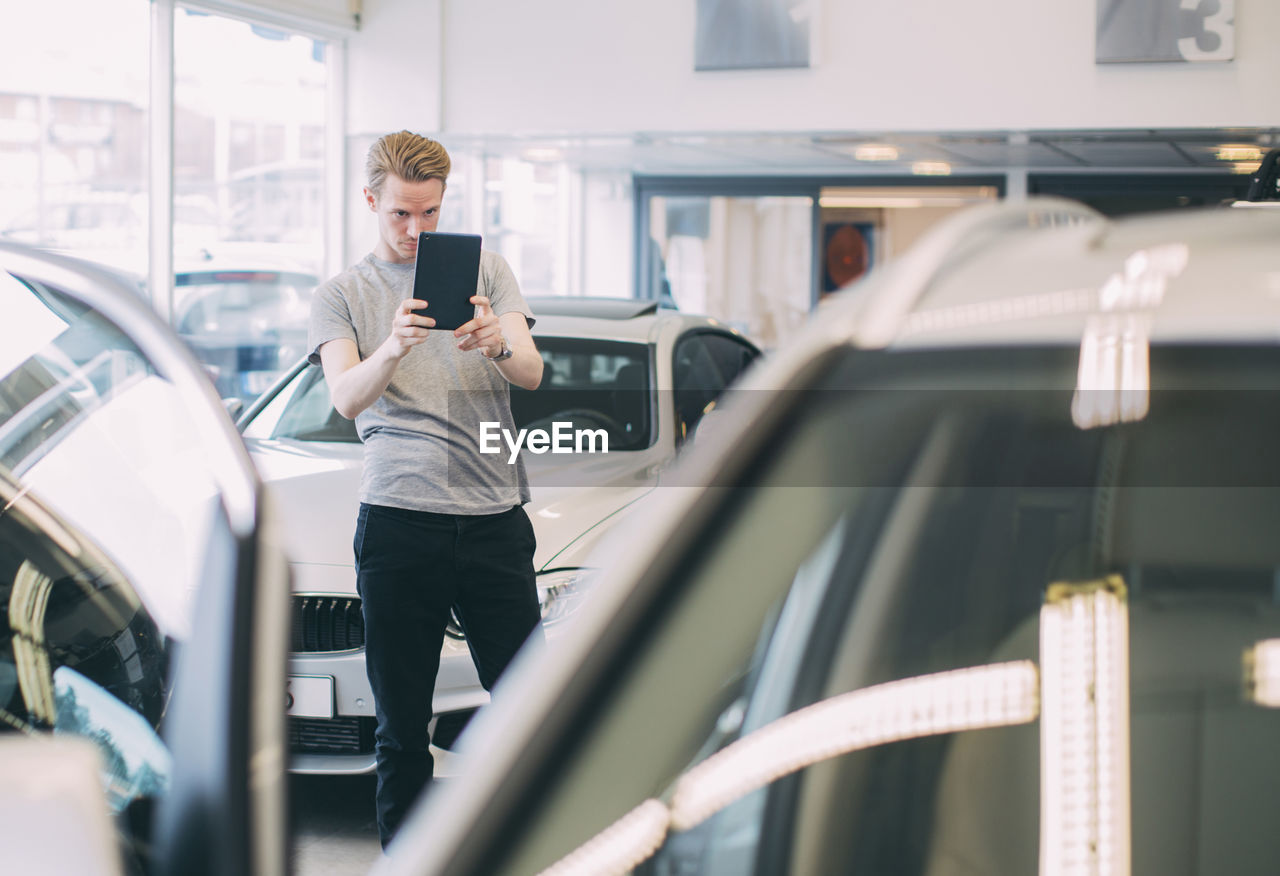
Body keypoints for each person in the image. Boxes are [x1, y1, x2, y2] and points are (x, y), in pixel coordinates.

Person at [307, 130, 545, 848]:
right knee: (401, 727)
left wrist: (496, 341)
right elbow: (347, 397)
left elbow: (531, 372)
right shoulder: (341, 295)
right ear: (371, 202)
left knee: (533, 710)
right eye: (402, 215)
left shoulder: (489, 271)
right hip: (400, 524)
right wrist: (394, 345)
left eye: (431, 214)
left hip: (492, 521)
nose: (417, 231)